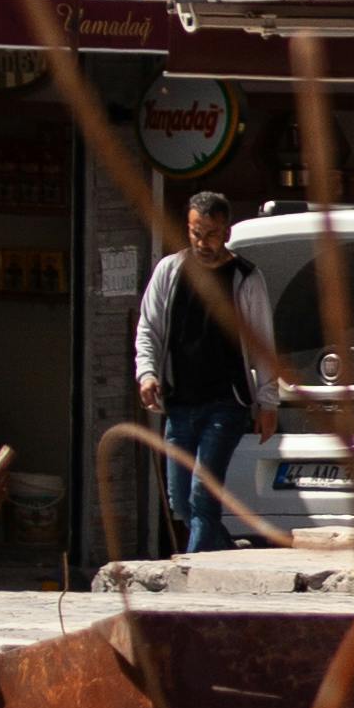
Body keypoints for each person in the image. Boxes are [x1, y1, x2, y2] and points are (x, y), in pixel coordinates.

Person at [133, 187, 279, 560]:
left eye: (211, 234)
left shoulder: (245, 278)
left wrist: (267, 401)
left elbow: (262, 341)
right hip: (180, 404)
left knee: (203, 493)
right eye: (196, 233)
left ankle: (193, 572)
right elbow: (148, 329)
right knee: (180, 500)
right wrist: (147, 373)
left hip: (225, 405)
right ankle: (228, 552)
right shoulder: (170, 270)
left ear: (226, 232)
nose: (202, 242)